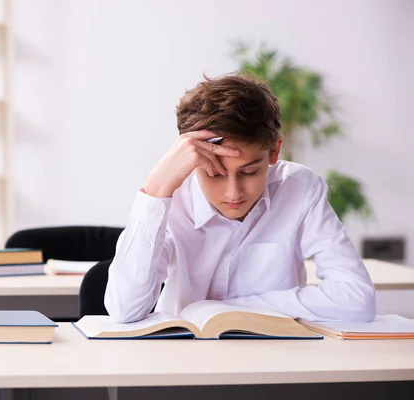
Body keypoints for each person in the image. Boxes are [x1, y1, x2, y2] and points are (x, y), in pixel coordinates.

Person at [104, 73, 375, 323]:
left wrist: (225, 310)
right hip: (183, 359)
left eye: (249, 171)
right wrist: (154, 192)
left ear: (274, 150)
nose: (233, 193)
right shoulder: (172, 197)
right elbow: (125, 310)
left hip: (277, 360)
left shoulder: (300, 189)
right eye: (215, 174)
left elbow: (356, 298)